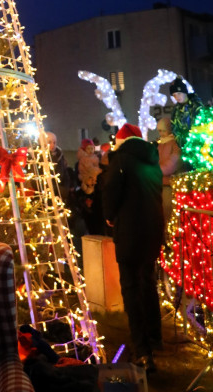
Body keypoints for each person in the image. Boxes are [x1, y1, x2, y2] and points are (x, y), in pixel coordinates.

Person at [102, 123, 164, 374]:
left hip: (129, 232)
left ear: (120, 142)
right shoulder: (151, 159)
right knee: (148, 283)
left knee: (130, 287)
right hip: (152, 233)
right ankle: (155, 337)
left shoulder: (121, 159)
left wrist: (109, 216)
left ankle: (142, 350)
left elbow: (110, 194)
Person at [155, 117, 181, 232]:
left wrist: (156, 170)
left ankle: (169, 238)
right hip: (159, 183)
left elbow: (173, 163)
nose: (161, 133)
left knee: (168, 212)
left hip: (168, 184)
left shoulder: (174, 144)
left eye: (163, 130)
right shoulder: (160, 144)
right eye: (159, 131)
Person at [169, 76, 203, 150]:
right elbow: (174, 128)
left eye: (179, 93)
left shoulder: (196, 105)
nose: (177, 97)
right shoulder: (175, 110)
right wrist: (181, 142)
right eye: (174, 95)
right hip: (183, 148)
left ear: (184, 92)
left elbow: (201, 125)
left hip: (198, 146)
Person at [46, 131, 71, 202]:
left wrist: (65, 188)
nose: (52, 145)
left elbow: (65, 174)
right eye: (49, 142)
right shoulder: (40, 158)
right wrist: (57, 189)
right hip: (48, 195)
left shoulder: (59, 156)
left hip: (61, 194)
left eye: (54, 142)